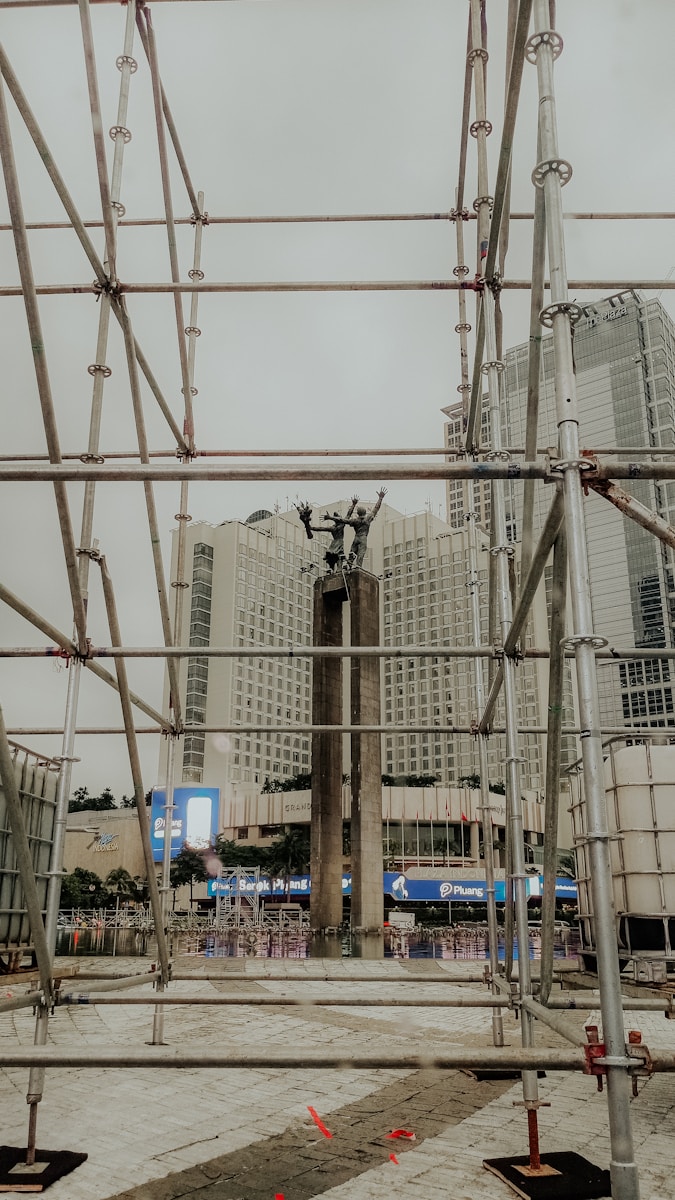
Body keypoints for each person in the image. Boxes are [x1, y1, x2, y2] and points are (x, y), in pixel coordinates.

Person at [296, 498, 357, 572]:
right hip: (339, 542)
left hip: (334, 544)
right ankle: (338, 569)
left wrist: (310, 527)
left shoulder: (333, 527)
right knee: (339, 556)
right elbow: (348, 514)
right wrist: (353, 505)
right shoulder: (341, 524)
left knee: (335, 556)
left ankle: (335, 569)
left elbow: (320, 528)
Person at [345, 488, 387, 568]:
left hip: (356, 538)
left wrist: (353, 505)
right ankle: (358, 566)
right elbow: (376, 508)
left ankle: (349, 565)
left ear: (357, 513)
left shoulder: (355, 521)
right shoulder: (368, 519)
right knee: (361, 554)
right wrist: (380, 498)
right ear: (365, 513)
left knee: (352, 552)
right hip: (363, 538)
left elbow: (345, 519)